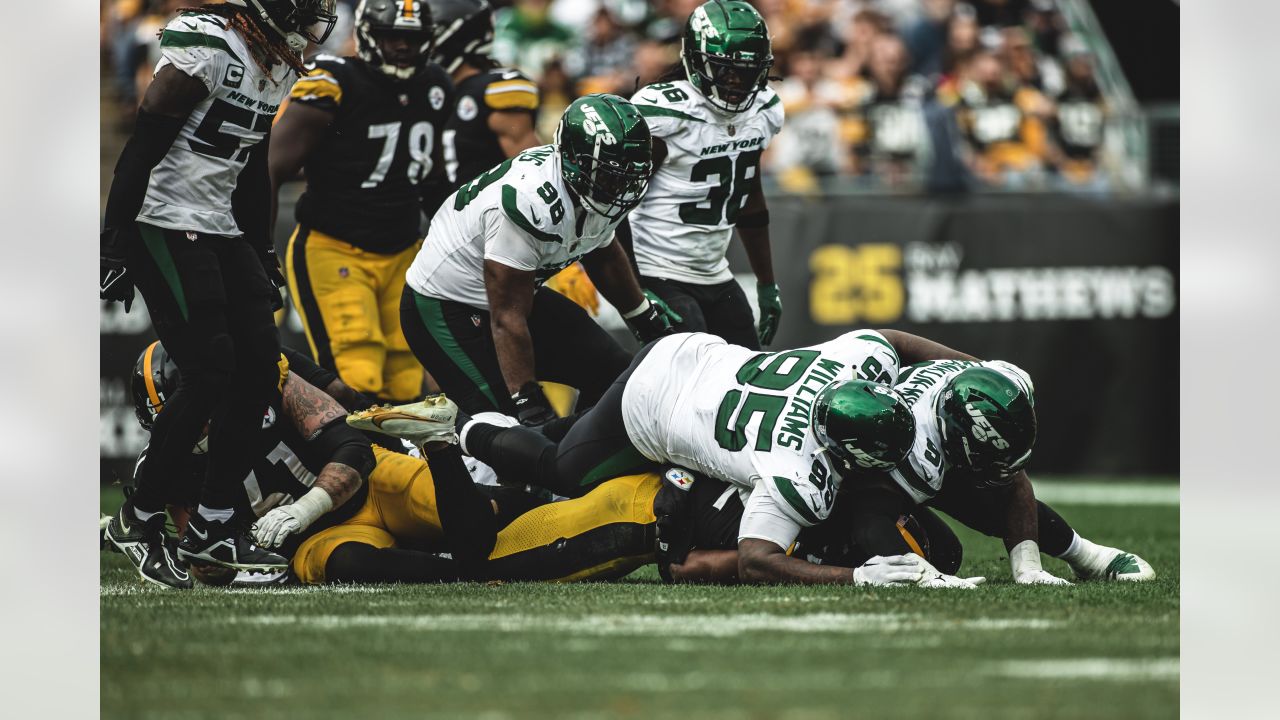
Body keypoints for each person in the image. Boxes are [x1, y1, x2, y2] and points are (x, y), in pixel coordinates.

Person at [449, 328, 985, 585]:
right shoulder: (793, 467)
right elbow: (755, 559)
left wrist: (972, 367)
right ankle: (469, 426)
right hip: (654, 406)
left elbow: (890, 339)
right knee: (564, 469)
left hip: (696, 353)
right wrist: (858, 579)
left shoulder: (854, 365)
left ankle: (484, 440)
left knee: (579, 448)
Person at [101, 0, 338, 576]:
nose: (315, 25)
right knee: (211, 371)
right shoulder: (207, 46)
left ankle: (211, 526)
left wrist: (258, 248)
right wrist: (113, 244)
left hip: (218, 223)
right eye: (308, 11)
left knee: (261, 369)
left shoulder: (273, 60)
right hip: (161, 219)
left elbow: (252, 163)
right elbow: (140, 149)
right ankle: (140, 515)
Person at [399, 94, 678, 424]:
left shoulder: (591, 185)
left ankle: (580, 454)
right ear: (574, 162)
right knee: (508, 429)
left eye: (628, 176)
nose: (621, 188)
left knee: (614, 374)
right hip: (446, 305)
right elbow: (506, 317)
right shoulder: (529, 201)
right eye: (610, 177)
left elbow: (602, 250)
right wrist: (526, 396)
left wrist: (641, 314)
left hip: (513, 296)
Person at [270, 0, 454, 406]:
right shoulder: (334, 80)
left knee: (408, 377)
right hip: (335, 245)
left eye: (413, 38)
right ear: (370, 33)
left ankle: (402, 466)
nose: (403, 47)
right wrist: (259, 248)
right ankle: (360, 463)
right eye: (393, 36)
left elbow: (435, 180)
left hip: (405, 247)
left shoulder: (436, 86)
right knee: (356, 373)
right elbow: (272, 166)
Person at [846, 358, 1156, 583]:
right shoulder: (917, 449)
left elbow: (1012, 477)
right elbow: (870, 512)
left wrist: (1029, 568)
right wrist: (920, 575)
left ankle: (1086, 556)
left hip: (932, 438)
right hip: (859, 471)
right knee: (940, 554)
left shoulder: (989, 379)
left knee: (983, 499)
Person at [620, 0, 785, 350]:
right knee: (688, 375)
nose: (737, 82)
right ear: (695, 60)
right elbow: (616, 206)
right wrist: (636, 290)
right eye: (726, 70)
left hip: (714, 272)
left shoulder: (763, 110)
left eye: (748, 70)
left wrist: (767, 282)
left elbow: (749, 196)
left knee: (747, 372)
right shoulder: (667, 113)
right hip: (658, 268)